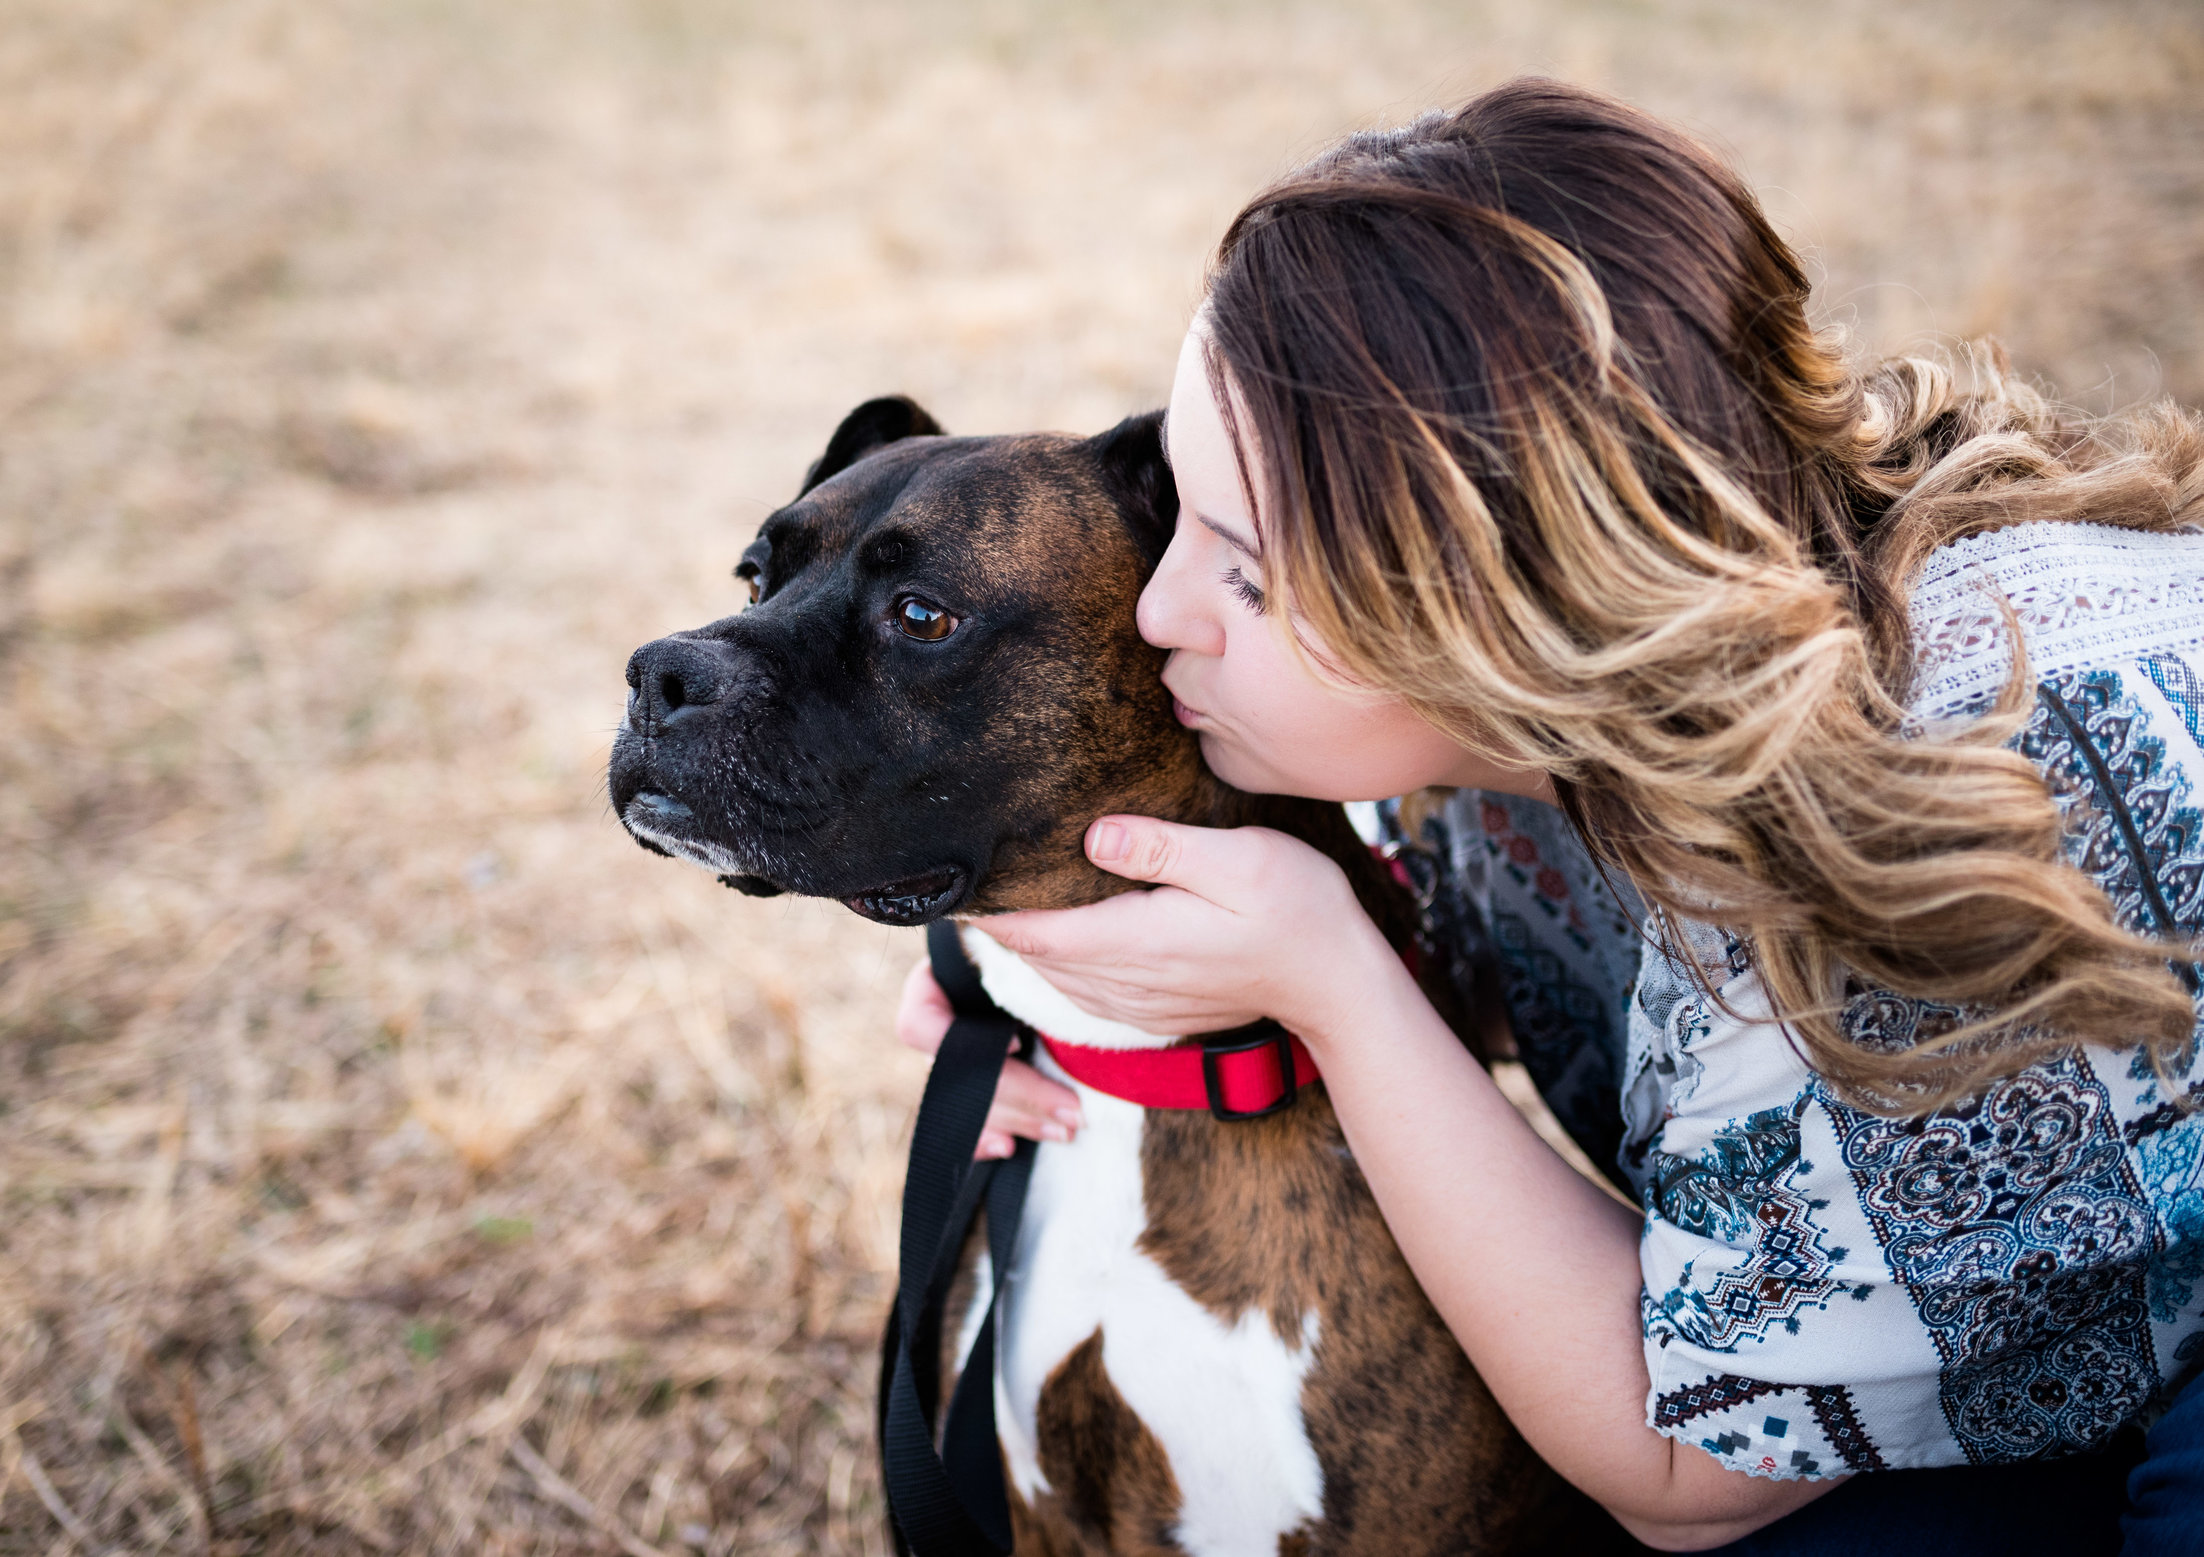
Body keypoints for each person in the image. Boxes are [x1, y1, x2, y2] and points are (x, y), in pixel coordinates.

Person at [894, 80, 2204, 1552]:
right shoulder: (1549, 752)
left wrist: (1335, 984)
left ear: (1506, 616)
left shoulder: (1940, 841)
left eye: (1246, 574)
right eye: (1182, 515)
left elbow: (1686, 1475)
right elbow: (1454, 950)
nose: (1156, 607)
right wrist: (1064, 983)